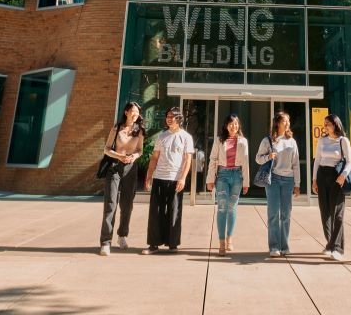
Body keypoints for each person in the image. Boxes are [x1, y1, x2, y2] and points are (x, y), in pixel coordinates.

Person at [141, 106, 195, 254]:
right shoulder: (162, 136)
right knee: (155, 212)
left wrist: (183, 179)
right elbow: (154, 158)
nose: (169, 119)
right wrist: (148, 177)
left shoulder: (186, 137)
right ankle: (153, 245)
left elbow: (187, 160)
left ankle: (172, 244)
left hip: (175, 179)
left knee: (174, 211)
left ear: (179, 119)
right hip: (159, 177)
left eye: (172, 116)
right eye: (168, 116)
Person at [99, 101, 145, 256]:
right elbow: (106, 149)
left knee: (127, 205)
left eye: (137, 112)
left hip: (130, 169)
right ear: (126, 112)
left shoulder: (139, 130)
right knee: (110, 204)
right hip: (114, 167)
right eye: (133, 111)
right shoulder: (117, 128)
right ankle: (105, 242)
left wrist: (133, 157)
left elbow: (140, 150)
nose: (135, 114)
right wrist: (119, 156)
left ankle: (122, 235)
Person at [256, 110, 300, 258]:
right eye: (284, 121)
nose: (287, 123)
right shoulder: (267, 141)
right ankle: (274, 246)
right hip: (273, 179)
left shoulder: (292, 142)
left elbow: (296, 164)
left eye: (288, 121)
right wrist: (268, 156)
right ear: (277, 123)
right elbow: (258, 159)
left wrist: (297, 184)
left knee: (286, 214)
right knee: (274, 214)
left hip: (288, 181)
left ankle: (285, 246)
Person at [205, 113, 249, 255]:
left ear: (238, 126)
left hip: (237, 176)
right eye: (231, 123)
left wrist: (246, 182)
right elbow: (213, 159)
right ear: (226, 125)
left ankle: (230, 239)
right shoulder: (219, 140)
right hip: (222, 175)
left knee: (232, 208)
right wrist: (210, 179)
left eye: (236, 123)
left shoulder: (243, 141)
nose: (233, 126)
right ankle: (222, 243)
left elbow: (246, 163)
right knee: (222, 208)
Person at [313, 113, 351, 261]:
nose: (325, 126)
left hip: (337, 177)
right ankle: (330, 243)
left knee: (337, 213)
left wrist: (343, 175)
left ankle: (338, 249)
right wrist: (314, 179)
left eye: (327, 124)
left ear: (335, 124)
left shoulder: (343, 141)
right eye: (324, 124)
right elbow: (317, 160)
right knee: (325, 212)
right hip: (322, 175)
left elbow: (350, 161)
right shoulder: (322, 140)